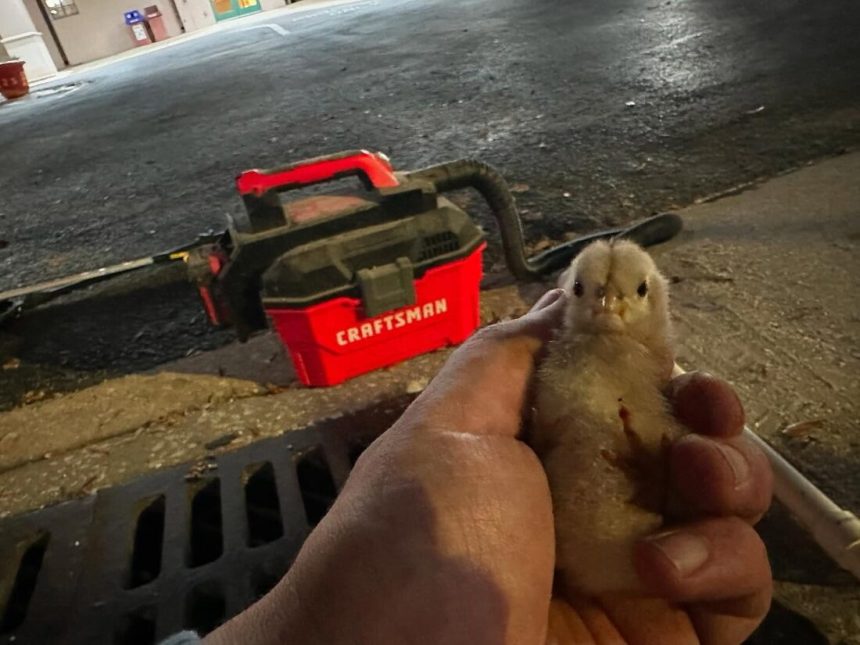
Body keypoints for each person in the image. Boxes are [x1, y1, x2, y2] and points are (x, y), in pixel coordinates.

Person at [174, 289, 772, 644]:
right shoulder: (554, 367)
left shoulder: (626, 376)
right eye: (592, 290)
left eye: (632, 294)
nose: (610, 304)